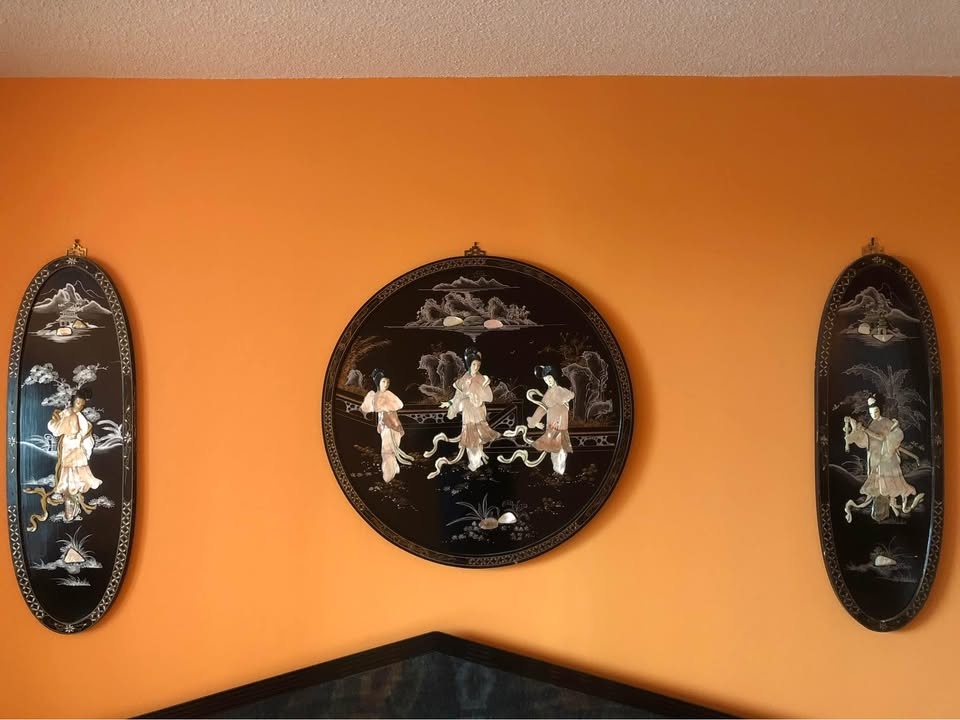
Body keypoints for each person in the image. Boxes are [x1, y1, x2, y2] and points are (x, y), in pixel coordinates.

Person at [843, 396, 924, 522]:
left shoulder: (886, 422)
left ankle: (891, 506)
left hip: (887, 459)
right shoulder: (872, 424)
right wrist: (857, 430)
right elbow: (867, 442)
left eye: (876, 412)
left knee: (887, 485)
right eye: (871, 413)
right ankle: (882, 509)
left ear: (880, 410)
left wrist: (866, 430)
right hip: (876, 457)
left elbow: (882, 438)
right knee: (877, 487)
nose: (874, 415)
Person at [426, 348, 500, 478]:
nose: (476, 367)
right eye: (474, 364)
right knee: (470, 435)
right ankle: (474, 463)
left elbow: (488, 396)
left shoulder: (482, 378)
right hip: (468, 409)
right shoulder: (464, 379)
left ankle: (479, 460)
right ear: (469, 365)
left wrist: (480, 392)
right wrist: (449, 403)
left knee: (479, 433)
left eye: (478, 365)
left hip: (478, 409)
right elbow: (458, 396)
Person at [499, 365, 575, 474]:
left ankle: (559, 472)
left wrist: (535, 422)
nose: (548, 381)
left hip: (562, 424)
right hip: (553, 425)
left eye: (549, 378)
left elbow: (568, 397)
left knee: (560, 451)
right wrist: (535, 422)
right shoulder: (550, 393)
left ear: (554, 377)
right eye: (546, 380)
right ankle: (558, 472)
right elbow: (542, 408)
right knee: (556, 450)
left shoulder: (561, 391)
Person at [48, 389, 101, 522]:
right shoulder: (66, 413)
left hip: (77, 446)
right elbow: (55, 427)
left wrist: (83, 439)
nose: (79, 407)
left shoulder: (80, 416)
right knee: (67, 475)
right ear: (73, 402)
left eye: (82, 405)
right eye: (78, 403)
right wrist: (56, 418)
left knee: (77, 476)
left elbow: (86, 430)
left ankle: (74, 508)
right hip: (68, 446)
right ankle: (68, 509)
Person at [359, 369, 413, 483]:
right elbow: (367, 408)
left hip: (393, 425)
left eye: (388, 382)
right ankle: (389, 474)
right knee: (387, 451)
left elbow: (398, 406)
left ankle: (390, 474)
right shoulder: (374, 395)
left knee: (390, 450)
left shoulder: (388, 395)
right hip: (385, 426)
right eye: (383, 381)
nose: (386, 384)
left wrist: (386, 410)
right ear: (378, 382)